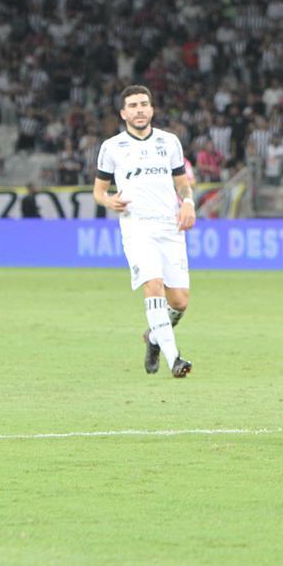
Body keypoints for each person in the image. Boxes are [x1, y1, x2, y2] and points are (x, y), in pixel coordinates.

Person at [93, 85, 195, 377]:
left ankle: (153, 337)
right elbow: (98, 191)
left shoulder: (170, 142)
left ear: (151, 109)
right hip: (137, 227)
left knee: (180, 301)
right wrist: (108, 200)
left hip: (170, 226)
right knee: (153, 285)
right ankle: (175, 358)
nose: (139, 109)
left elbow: (182, 182)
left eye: (143, 104)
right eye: (133, 105)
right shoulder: (111, 147)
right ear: (123, 113)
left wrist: (187, 202)